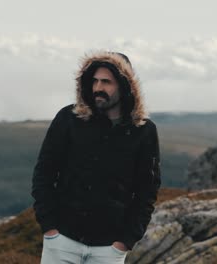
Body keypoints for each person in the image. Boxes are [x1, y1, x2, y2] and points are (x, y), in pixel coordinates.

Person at [31, 51, 161, 263]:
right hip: (62, 242)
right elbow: (43, 174)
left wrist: (124, 242)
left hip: (109, 250)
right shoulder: (69, 119)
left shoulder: (144, 131)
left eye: (107, 82)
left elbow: (147, 190)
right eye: (95, 81)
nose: (98, 88)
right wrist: (50, 228)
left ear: (125, 85)